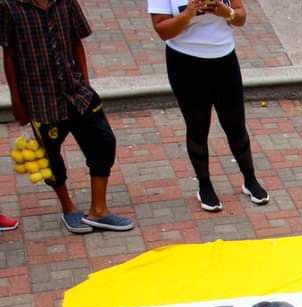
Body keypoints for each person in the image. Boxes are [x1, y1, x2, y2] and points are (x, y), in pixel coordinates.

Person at [1, 0, 133, 234]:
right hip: (40, 97)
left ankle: (99, 210)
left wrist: (85, 83)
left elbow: (76, 41)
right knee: (49, 156)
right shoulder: (9, 6)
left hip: (76, 91)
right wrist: (17, 101)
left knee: (104, 142)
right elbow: (9, 55)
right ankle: (68, 208)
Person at [149, 0, 269, 212]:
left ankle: (250, 180)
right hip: (185, 63)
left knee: (235, 125)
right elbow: (162, 30)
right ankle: (205, 185)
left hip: (224, 59)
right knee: (197, 126)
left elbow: (241, 17)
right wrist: (188, 14)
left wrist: (225, 12)